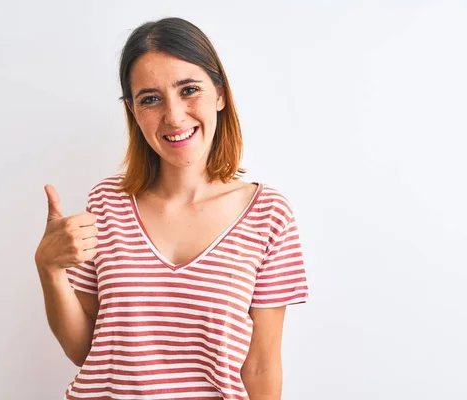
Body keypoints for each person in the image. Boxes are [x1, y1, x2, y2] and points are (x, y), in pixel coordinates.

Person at [35, 17, 309, 400]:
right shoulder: (106, 202)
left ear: (220, 94)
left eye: (189, 90)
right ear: (132, 111)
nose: (174, 116)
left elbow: (262, 365)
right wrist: (49, 269)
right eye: (150, 99)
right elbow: (85, 352)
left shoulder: (268, 214)